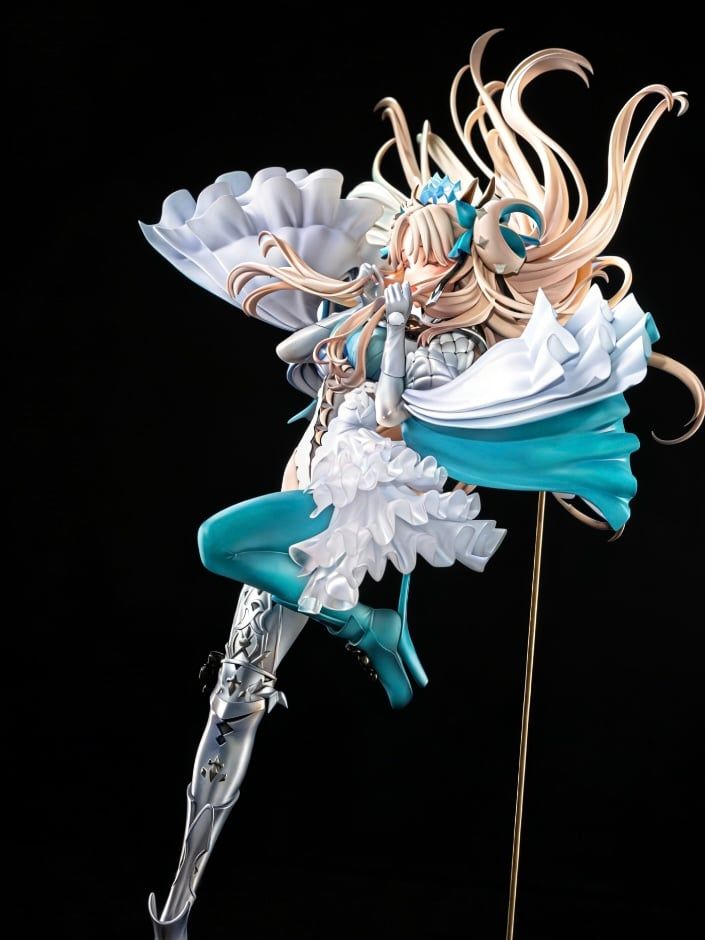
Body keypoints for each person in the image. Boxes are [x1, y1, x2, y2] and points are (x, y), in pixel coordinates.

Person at [139, 31, 702, 939]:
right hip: (306, 484)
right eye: (400, 251)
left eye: (418, 256)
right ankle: (180, 903)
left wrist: (393, 330)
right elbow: (293, 351)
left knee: (216, 544)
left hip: (343, 507)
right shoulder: (384, 302)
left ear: (452, 265)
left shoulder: (449, 344)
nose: (403, 265)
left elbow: (398, 420)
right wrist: (362, 305)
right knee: (235, 694)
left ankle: (366, 623)